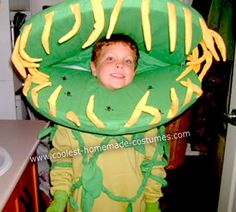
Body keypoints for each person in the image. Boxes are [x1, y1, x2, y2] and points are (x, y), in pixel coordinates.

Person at [47, 34, 167, 212]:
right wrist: (60, 197)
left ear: (134, 71)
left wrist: (152, 202)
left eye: (128, 61)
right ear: (94, 68)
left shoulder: (146, 114)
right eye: (110, 58)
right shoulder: (70, 113)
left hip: (132, 205)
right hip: (84, 205)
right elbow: (62, 157)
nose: (120, 64)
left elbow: (153, 161)